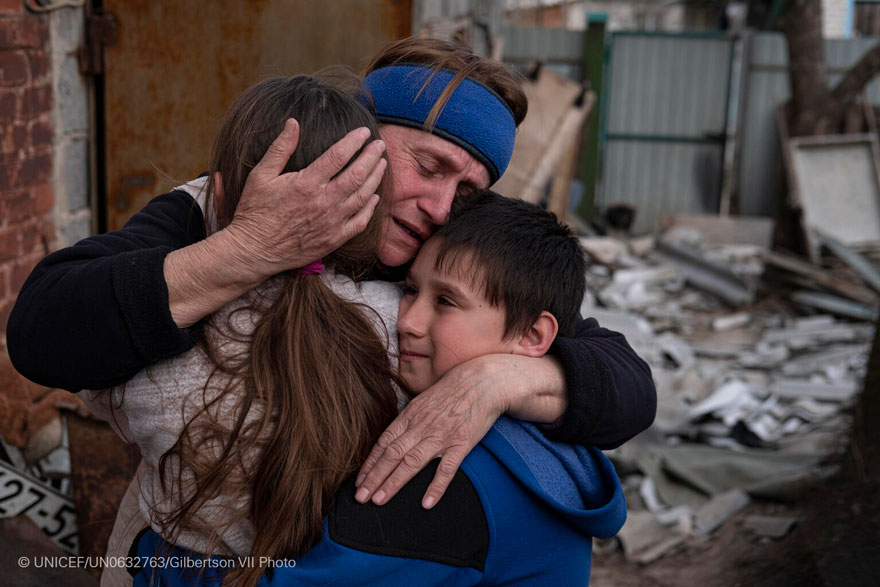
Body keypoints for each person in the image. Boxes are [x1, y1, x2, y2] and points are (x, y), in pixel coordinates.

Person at [8, 37, 655, 510]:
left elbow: (627, 386)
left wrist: (499, 377)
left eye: (466, 192)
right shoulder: (220, 204)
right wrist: (249, 250)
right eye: (428, 167)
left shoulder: (455, 249)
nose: (438, 209)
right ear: (360, 137)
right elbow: (43, 330)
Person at [127, 190, 627, 586]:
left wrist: (152, 556)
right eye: (411, 290)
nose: (406, 320)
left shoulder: (445, 475)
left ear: (534, 337)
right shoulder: (545, 441)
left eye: (446, 302)